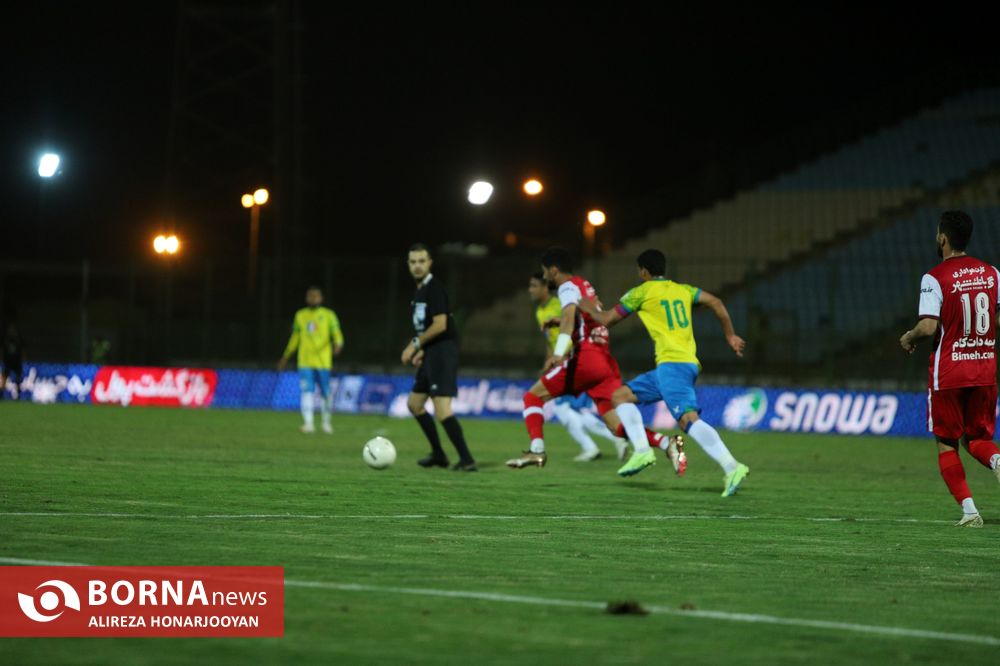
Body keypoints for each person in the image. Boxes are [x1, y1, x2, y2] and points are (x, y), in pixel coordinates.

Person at [579, 249, 748, 495]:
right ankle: (642, 451)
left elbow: (606, 320)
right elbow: (716, 302)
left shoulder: (641, 292)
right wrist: (730, 335)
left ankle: (732, 467)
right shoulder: (683, 289)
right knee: (620, 397)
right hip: (676, 366)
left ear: (643, 271)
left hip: (673, 365)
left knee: (688, 420)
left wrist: (589, 308)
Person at [507, 247, 682, 471]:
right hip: (605, 362)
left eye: (545, 271)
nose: (544, 276)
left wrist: (558, 354)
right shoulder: (584, 285)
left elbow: (569, 318)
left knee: (532, 397)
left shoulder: (566, 287)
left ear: (554, 270)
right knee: (615, 426)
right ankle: (666, 443)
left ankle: (537, 450)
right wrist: (557, 322)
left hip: (585, 359)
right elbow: (586, 318)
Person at [900, 210, 1000, 528]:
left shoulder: (935, 277)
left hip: (949, 372)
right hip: (984, 369)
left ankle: (970, 512)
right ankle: (997, 460)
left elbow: (929, 326)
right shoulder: (993, 274)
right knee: (977, 438)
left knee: (947, 442)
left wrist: (909, 336)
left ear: (943, 238)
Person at [528, 272, 628, 462]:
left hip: (576, 360)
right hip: (566, 361)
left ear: (544, 288)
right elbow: (550, 340)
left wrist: (564, 356)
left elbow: (573, 325)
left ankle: (604, 442)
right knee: (572, 410)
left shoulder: (560, 303)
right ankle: (613, 439)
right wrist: (550, 360)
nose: (530, 290)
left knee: (563, 409)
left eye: (534, 286)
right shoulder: (540, 311)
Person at [401, 243, 477, 471]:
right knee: (415, 404)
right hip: (431, 353)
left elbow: (441, 324)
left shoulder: (434, 288)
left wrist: (415, 344)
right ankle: (438, 454)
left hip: (443, 353)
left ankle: (467, 459)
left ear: (430, 263)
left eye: (421, 261)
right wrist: (423, 351)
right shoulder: (420, 291)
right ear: (408, 264)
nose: (417, 266)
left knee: (442, 408)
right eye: (413, 262)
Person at [278, 286, 344, 434]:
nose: (313, 299)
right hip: (305, 361)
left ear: (321, 298)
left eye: (316, 296)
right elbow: (295, 337)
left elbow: (337, 333)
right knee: (306, 391)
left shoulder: (328, 315)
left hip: (323, 361)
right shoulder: (300, 315)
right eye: (310, 296)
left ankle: (326, 423)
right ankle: (308, 424)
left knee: (326, 392)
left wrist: (338, 344)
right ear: (306, 298)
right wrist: (286, 356)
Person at [1, 323, 24, 400]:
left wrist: (23, 359)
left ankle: (18, 395)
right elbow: (2, 350)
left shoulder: (18, 339)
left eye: (13, 330)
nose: (12, 331)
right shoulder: (5, 340)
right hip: (8, 362)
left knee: (18, 378)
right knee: (4, 378)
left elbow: (22, 350)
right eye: (10, 330)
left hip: (17, 362)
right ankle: (1, 394)